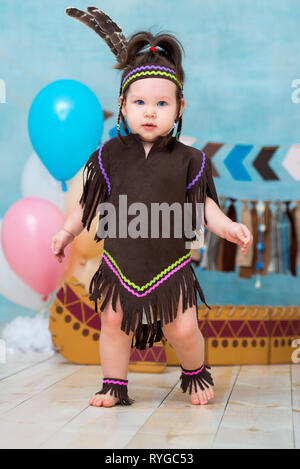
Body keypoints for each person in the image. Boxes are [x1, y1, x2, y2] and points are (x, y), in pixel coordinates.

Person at [51, 7, 253, 408]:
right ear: (123, 105)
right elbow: (90, 203)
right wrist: (67, 231)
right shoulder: (110, 155)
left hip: (169, 266)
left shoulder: (189, 159)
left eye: (162, 104)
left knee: (182, 329)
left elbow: (203, 206)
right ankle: (114, 384)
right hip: (120, 263)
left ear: (180, 107)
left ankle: (195, 373)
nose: (149, 111)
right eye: (140, 102)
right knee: (112, 324)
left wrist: (228, 227)